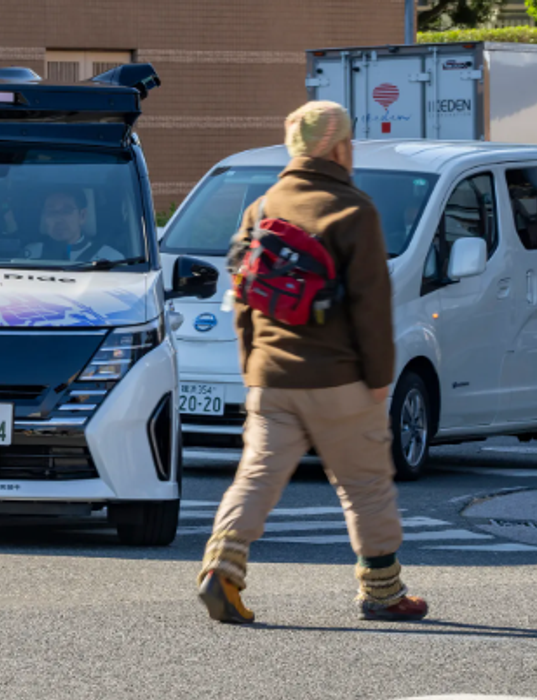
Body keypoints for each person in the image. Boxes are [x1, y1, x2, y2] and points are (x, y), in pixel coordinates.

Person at [198, 101, 428, 624]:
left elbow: (243, 293)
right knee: (365, 484)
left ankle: (222, 570)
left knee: (255, 478)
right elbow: (371, 304)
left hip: (272, 377)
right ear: (341, 146)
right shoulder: (354, 209)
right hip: (340, 379)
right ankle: (383, 590)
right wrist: (379, 378)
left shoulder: (263, 206)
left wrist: (251, 363)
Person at [25, 188, 123, 262]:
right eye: (51, 212)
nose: (59, 219)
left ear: (82, 216)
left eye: (67, 211)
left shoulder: (111, 259)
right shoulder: (28, 255)